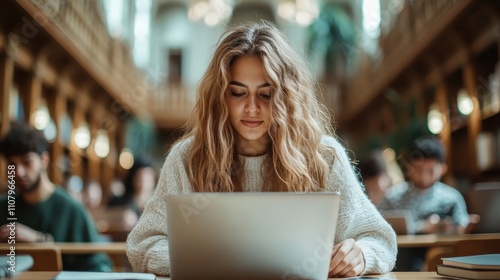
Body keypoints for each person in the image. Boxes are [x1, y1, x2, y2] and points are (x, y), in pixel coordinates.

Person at [126, 21, 397, 277]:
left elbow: (379, 239)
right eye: (238, 92)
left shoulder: (323, 156)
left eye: (266, 94)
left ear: (286, 96)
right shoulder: (187, 158)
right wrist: (206, 264)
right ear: (221, 96)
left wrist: (361, 254)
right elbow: (143, 245)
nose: (252, 107)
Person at [0, 121, 112, 271]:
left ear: (44, 160)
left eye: (27, 163)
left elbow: (100, 267)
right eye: (12, 165)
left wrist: (37, 239)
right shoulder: (3, 205)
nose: (18, 172)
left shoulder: (72, 210)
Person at [378, 136, 473, 271]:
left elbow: (461, 230)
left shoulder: (452, 198)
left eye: (431, 171)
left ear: (443, 168)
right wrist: (424, 227)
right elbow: (378, 228)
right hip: (398, 266)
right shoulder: (392, 197)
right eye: (419, 170)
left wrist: (462, 228)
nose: (424, 177)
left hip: (442, 266)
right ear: (408, 167)